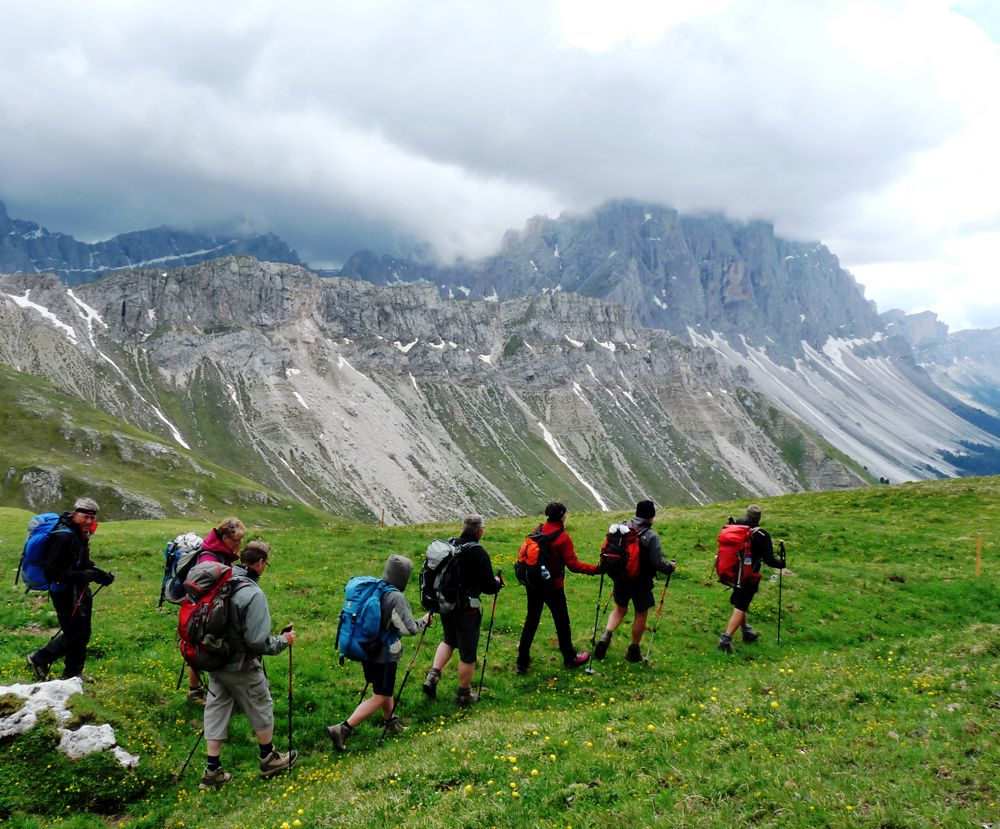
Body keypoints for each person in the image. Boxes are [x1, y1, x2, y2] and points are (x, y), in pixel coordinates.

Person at [198, 540, 297, 790]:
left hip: (215, 658)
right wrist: (283, 641)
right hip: (241, 665)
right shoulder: (252, 593)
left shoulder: (224, 580)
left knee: (216, 709)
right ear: (261, 563)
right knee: (261, 705)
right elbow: (256, 641)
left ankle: (212, 770)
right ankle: (268, 758)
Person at [327, 555, 433, 748]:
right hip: (384, 655)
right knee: (381, 695)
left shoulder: (375, 588)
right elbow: (408, 629)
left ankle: (390, 721)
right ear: (403, 576)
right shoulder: (395, 597)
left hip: (366, 648)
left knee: (383, 689)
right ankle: (342, 729)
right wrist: (424, 620)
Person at [27, 497, 114, 682]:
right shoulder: (63, 536)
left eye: (92, 518)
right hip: (64, 591)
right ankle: (39, 659)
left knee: (83, 634)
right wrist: (81, 576)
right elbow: (52, 571)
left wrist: (100, 575)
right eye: (85, 516)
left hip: (80, 590)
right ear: (75, 514)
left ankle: (73, 674)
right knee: (75, 635)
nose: (89, 521)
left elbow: (83, 562)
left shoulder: (80, 534)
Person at [422, 514, 502, 705]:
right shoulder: (478, 552)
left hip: (446, 604)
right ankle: (464, 693)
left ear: (464, 528)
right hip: (467, 610)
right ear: (480, 531)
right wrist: (498, 583)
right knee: (467, 653)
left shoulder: (452, 546)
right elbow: (489, 587)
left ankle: (433, 675)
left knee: (449, 639)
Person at [514, 502, 598, 674]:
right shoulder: (563, 537)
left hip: (534, 583)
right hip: (553, 586)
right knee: (562, 622)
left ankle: (522, 661)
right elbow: (573, 565)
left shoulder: (538, 529)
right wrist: (595, 570)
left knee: (532, 620)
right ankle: (570, 658)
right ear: (562, 515)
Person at [594, 499, 675, 663]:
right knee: (641, 613)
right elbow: (658, 563)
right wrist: (670, 567)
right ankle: (634, 650)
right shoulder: (651, 536)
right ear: (651, 516)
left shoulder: (623, 528)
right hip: (641, 582)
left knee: (619, 609)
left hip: (620, 578)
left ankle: (606, 634)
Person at [185, 517, 246, 702]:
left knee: (209, 647)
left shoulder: (222, 552)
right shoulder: (208, 556)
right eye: (236, 541)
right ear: (225, 538)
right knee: (201, 648)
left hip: (214, 608)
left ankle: (215, 690)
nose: (238, 545)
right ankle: (195, 691)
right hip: (204, 611)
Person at [717, 504, 785, 653]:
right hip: (749, 575)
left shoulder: (737, 526)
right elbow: (769, 560)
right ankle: (725, 640)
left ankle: (746, 631)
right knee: (741, 606)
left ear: (746, 515)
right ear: (759, 518)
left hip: (734, 571)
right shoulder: (762, 535)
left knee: (740, 603)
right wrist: (782, 564)